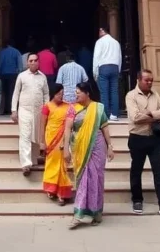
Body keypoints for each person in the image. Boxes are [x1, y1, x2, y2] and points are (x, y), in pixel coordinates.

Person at [125, 69, 160, 219]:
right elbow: (135, 117)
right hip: (137, 137)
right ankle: (137, 200)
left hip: (155, 138)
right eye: (146, 80)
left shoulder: (155, 94)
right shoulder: (131, 96)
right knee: (136, 170)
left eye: (151, 80)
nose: (150, 83)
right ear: (138, 80)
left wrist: (150, 115)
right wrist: (155, 116)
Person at [64, 81, 114, 229]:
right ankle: (79, 214)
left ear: (87, 93)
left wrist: (110, 147)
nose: (76, 95)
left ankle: (95, 212)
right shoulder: (73, 108)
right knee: (83, 178)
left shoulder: (98, 108)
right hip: (80, 147)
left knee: (96, 179)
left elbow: (104, 128)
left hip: (98, 146)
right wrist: (66, 148)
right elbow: (67, 129)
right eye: (76, 93)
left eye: (79, 92)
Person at [40, 83, 82, 205]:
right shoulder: (47, 107)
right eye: (59, 94)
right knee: (52, 164)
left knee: (62, 166)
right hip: (50, 139)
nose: (61, 96)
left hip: (63, 138)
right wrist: (42, 142)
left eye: (62, 94)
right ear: (53, 94)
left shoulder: (68, 107)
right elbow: (42, 125)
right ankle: (52, 189)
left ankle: (61, 193)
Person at [11, 53, 49, 175]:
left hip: (38, 110)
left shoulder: (43, 77)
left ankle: (33, 159)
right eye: (30, 61)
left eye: (35, 60)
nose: (33, 62)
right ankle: (26, 164)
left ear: (38, 62)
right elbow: (16, 93)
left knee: (36, 136)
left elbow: (46, 94)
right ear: (27, 63)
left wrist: (47, 110)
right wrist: (14, 110)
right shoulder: (21, 76)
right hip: (24, 109)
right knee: (25, 135)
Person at [92, 25, 122, 121]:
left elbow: (96, 58)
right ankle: (115, 114)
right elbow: (120, 57)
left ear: (102, 30)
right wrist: (119, 70)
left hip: (103, 67)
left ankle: (106, 115)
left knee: (104, 92)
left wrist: (95, 72)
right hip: (115, 67)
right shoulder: (116, 42)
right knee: (114, 91)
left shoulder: (100, 42)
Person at [0, 40, 23, 115]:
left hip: (3, 74)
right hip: (13, 74)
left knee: (4, 92)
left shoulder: (2, 52)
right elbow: (20, 65)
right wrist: (20, 74)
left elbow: (0, 63)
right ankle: (12, 109)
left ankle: (2, 110)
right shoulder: (16, 52)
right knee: (12, 92)